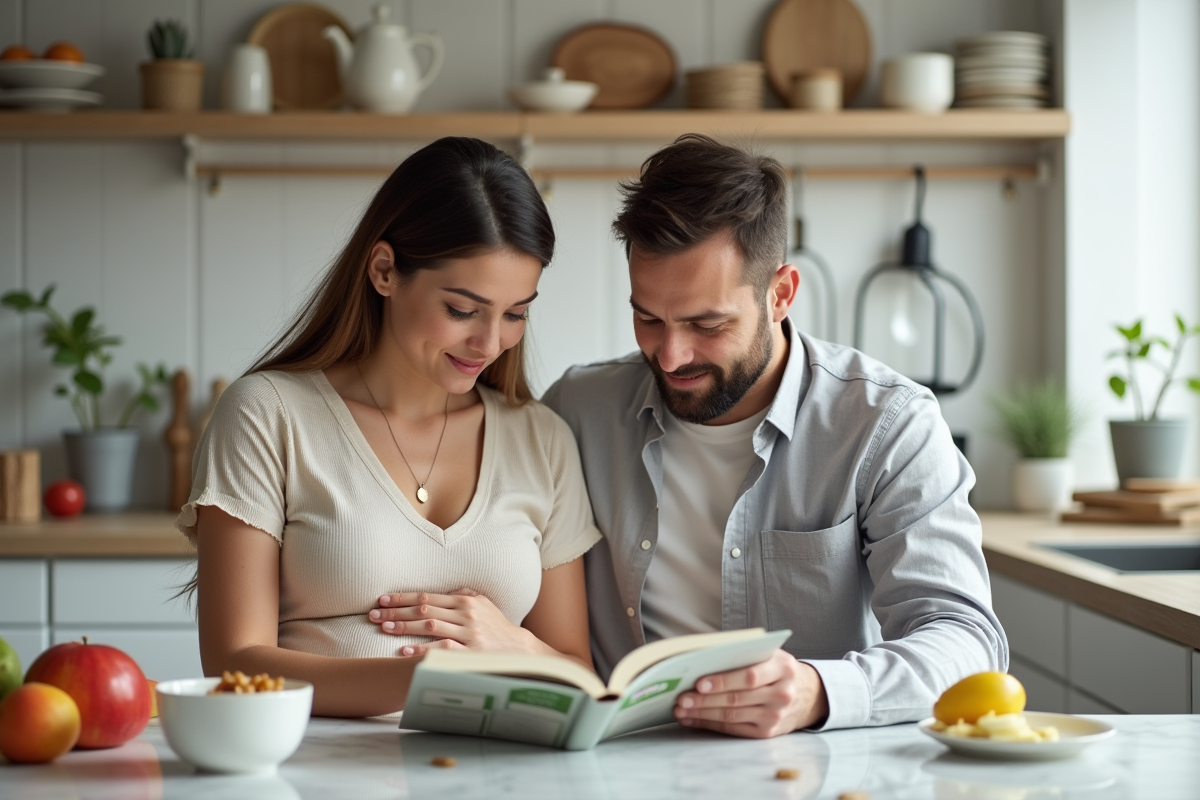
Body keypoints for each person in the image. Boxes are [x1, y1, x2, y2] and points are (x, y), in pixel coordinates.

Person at [541, 134, 1007, 738]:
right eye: (648, 318)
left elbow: (966, 641)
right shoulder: (577, 411)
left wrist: (818, 691)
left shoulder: (886, 425)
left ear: (780, 294)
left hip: (812, 765)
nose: (671, 355)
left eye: (707, 324)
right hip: (618, 759)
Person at [177, 137, 601, 718]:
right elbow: (234, 662)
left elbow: (579, 674)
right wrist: (427, 677)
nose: (489, 342)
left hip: (492, 760)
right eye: (462, 310)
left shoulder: (543, 439)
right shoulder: (267, 414)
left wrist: (519, 648)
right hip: (317, 762)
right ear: (384, 271)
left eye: (516, 314)